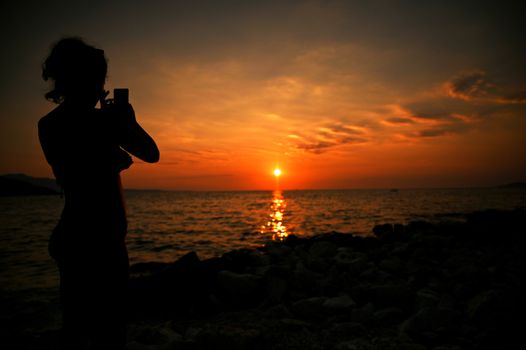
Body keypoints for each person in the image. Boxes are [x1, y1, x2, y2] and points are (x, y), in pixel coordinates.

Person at [38, 37, 159, 349]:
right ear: (74, 79)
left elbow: (150, 153)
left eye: (102, 78)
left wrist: (129, 123)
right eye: (96, 77)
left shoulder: (101, 123)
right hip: (87, 240)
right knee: (96, 330)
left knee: (97, 327)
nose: (101, 85)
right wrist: (113, 147)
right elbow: (78, 174)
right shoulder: (56, 125)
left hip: (100, 240)